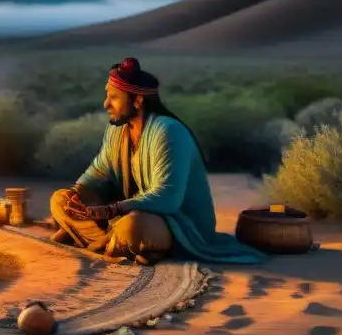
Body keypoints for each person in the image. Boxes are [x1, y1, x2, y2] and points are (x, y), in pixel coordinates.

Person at [48, 57, 266, 266]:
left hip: (175, 224)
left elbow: (167, 198)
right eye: (107, 96)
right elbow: (99, 172)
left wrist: (111, 209)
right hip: (122, 215)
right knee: (60, 199)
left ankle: (103, 237)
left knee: (133, 226)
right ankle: (113, 241)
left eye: (114, 97)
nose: (106, 104)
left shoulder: (168, 131)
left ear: (138, 100)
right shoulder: (116, 130)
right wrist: (77, 196)